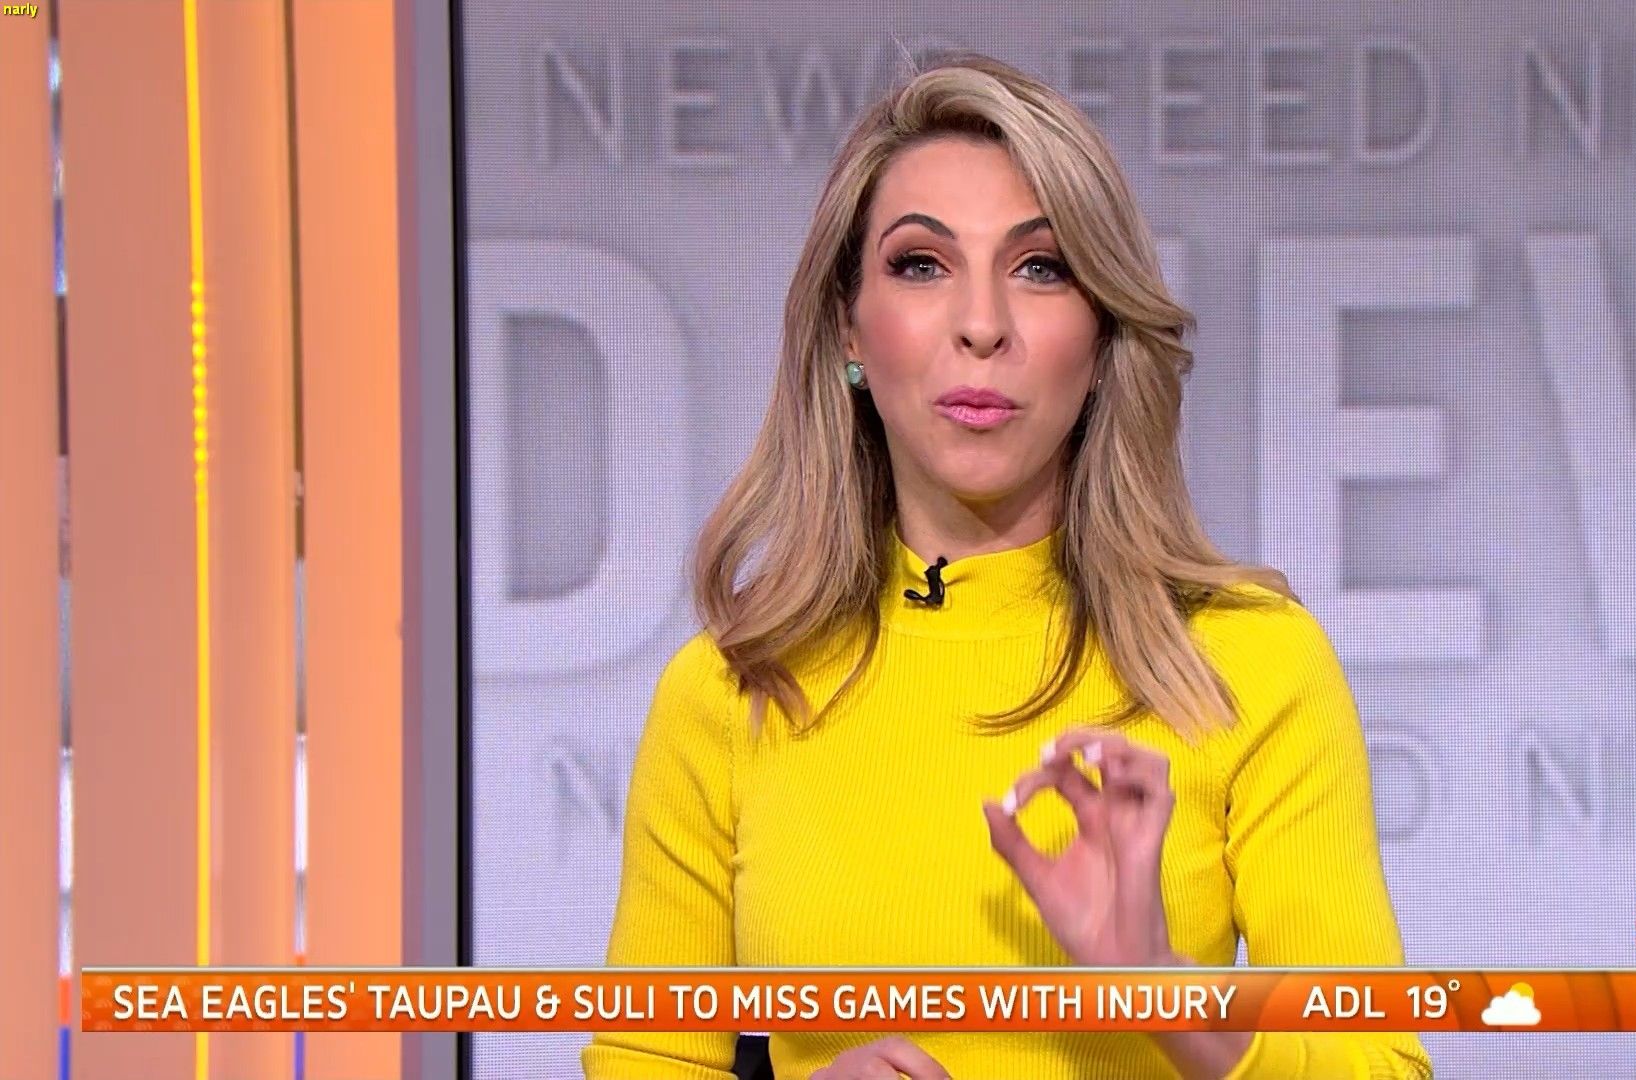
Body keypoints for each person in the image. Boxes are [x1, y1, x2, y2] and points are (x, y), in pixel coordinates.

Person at [582, 52, 1431, 1080]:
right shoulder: (728, 693)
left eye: (1041, 268)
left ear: (1102, 333)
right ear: (848, 328)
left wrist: (1158, 984)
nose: (982, 325)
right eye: (921, 265)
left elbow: (1381, 1065)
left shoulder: (1249, 665)